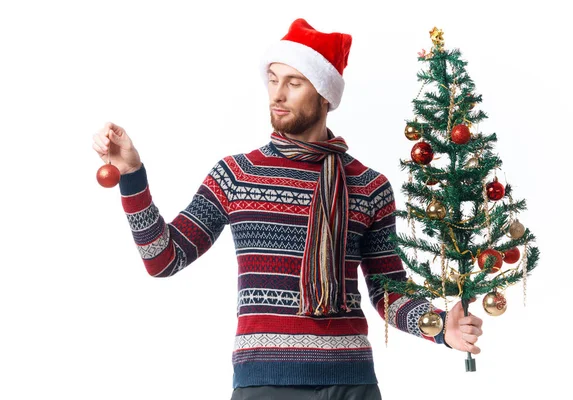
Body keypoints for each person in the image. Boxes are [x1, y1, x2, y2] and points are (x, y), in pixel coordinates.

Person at [91, 18, 483, 400]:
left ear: (325, 95)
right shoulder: (237, 174)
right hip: (264, 383)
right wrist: (132, 175)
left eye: (293, 83)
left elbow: (388, 293)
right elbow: (163, 259)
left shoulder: (369, 185)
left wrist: (439, 328)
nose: (277, 94)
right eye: (273, 80)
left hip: (351, 382)